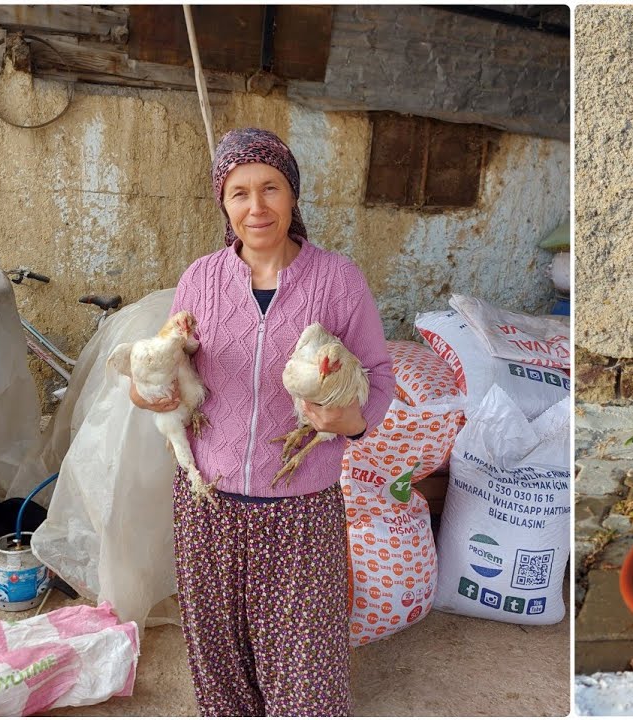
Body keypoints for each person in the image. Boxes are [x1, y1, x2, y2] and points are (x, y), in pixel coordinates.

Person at [129, 127, 394, 715]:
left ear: (292, 195)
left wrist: (349, 420)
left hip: (302, 510)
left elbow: (379, 373)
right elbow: (175, 362)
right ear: (223, 203)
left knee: (307, 684)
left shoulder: (338, 280)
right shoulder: (201, 278)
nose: (257, 207)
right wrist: (154, 391)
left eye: (270, 188)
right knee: (222, 675)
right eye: (239, 192)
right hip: (208, 505)